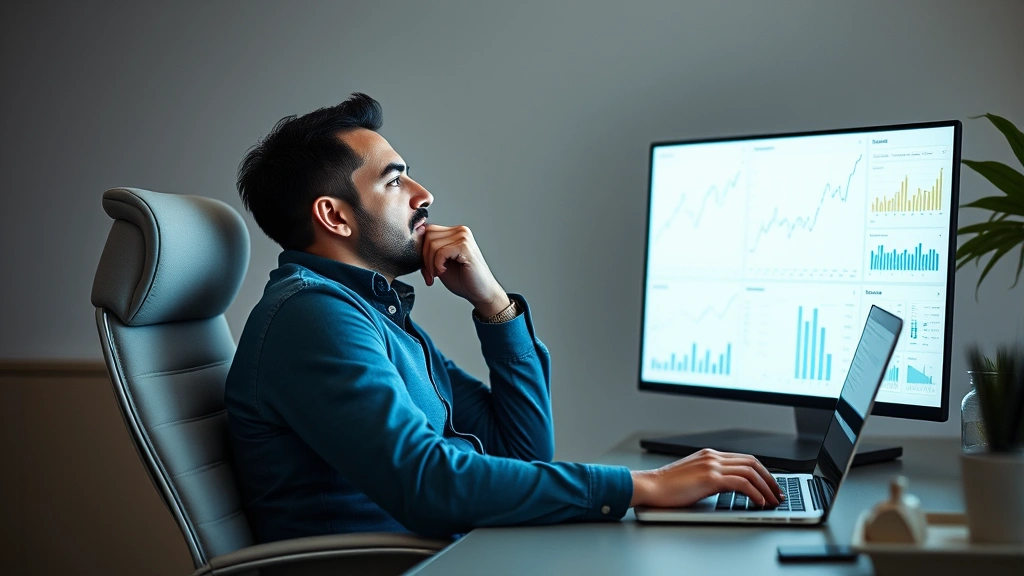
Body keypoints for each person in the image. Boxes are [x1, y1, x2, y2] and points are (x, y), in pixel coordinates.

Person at [225, 93, 783, 543]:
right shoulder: (313, 317)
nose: (424, 195)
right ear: (335, 217)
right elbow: (427, 483)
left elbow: (522, 451)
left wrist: (493, 304)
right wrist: (644, 485)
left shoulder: (374, 314)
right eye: (394, 181)